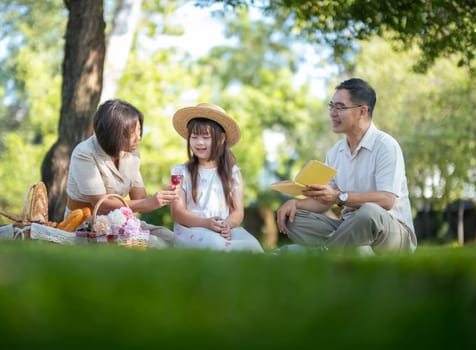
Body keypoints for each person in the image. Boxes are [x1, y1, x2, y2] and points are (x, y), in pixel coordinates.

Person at [276, 78, 417, 254]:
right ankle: (344, 249)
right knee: (293, 218)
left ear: (362, 111)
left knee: (368, 212)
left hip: (390, 232)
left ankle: (324, 254)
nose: (332, 113)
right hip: (347, 227)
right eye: (331, 106)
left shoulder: (386, 145)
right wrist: (294, 204)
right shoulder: (336, 152)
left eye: (340, 107)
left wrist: (338, 197)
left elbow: (387, 200)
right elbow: (323, 203)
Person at [65, 99, 177, 248]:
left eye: (139, 131)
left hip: (120, 220)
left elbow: (140, 199)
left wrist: (164, 196)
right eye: (132, 133)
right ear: (113, 134)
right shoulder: (84, 153)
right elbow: (102, 205)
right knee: (157, 245)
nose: (139, 138)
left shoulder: (132, 155)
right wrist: (148, 203)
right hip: (87, 224)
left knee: (174, 240)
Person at [169, 103, 263, 253]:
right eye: (194, 137)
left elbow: (238, 212)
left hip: (222, 229)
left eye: (206, 137)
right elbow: (177, 212)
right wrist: (205, 223)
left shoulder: (232, 173)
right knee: (215, 244)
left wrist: (227, 224)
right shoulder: (180, 172)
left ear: (221, 138)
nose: (199, 142)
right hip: (193, 230)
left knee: (252, 245)